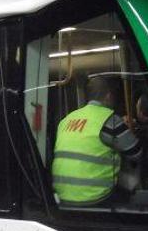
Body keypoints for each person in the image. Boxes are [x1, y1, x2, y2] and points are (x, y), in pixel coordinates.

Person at [51, 76, 142, 205]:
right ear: (108, 96)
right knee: (128, 188)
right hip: (95, 199)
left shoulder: (66, 120)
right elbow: (136, 152)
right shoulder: (110, 120)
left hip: (62, 198)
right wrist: (128, 131)